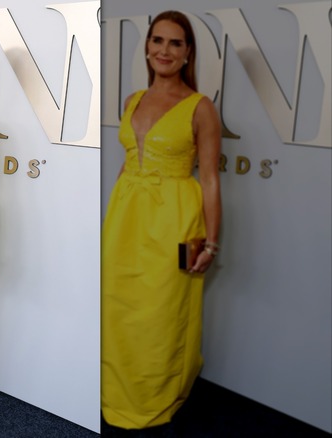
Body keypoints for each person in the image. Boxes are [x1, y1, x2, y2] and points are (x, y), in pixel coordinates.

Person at [101, 10, 222, 430]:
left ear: (188, 53)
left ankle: (157, 391)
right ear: (147, 47)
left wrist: (210, 242)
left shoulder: (200, 107)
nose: (164, 51)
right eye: (157, 41)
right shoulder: (132, 100)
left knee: (161, 310)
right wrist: (111, 218)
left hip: (174, 217)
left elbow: (208, 179)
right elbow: (126, 163)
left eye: (175, 43)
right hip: (127, 215)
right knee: (118, 307)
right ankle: (117, 388)